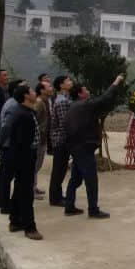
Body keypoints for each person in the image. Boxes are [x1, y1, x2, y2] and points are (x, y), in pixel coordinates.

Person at [63, 74, 124, 218]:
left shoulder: (73, 106)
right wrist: (116, 82)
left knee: (75, 179)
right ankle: (93, 210)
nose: (88, 91)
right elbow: (104, 98)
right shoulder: (85, 105)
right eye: (85, 90)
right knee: (91, 180)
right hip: (84, 148)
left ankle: (69, 206)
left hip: (76, 147)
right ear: (80, 94)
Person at [8, 84, 43, 240]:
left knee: (19, 189)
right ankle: (30, 227)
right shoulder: (24, 115)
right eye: (32, 91)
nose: (35, 93)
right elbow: (21, 143)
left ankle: (15, 221)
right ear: (26, 96)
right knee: (27, 193)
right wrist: (23, 161)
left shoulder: (27, 112)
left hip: (25, 156)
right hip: (24, 157)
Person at [0, 78, 26, 212]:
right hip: (10, 145)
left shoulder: (12, 103)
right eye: (24, 87)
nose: (28, 89)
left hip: (8, 144)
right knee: (6, 176)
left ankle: (1, 201)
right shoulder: (14, 106)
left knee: (3, 175)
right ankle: (4, 204)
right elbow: (5, 127)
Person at [48, 75, 73, 206]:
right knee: (59, 169)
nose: (71, 82)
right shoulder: (62, 101)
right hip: (61, 140)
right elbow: (64, 123)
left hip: (61, 139)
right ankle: (55, 198)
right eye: (68, 81)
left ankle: (57, 195)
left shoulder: (64, 99)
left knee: (61, 169)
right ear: (61, 85)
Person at [33, 80, 54, 199]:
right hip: (38, 140)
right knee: (34, 165)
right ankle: (31, 190)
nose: (51, 88)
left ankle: (34, 186)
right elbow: (34, 120)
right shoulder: (39, 103)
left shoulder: (45, 102)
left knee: (37, 165)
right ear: (42, 90)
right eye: (49, 87)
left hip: (43, 139)